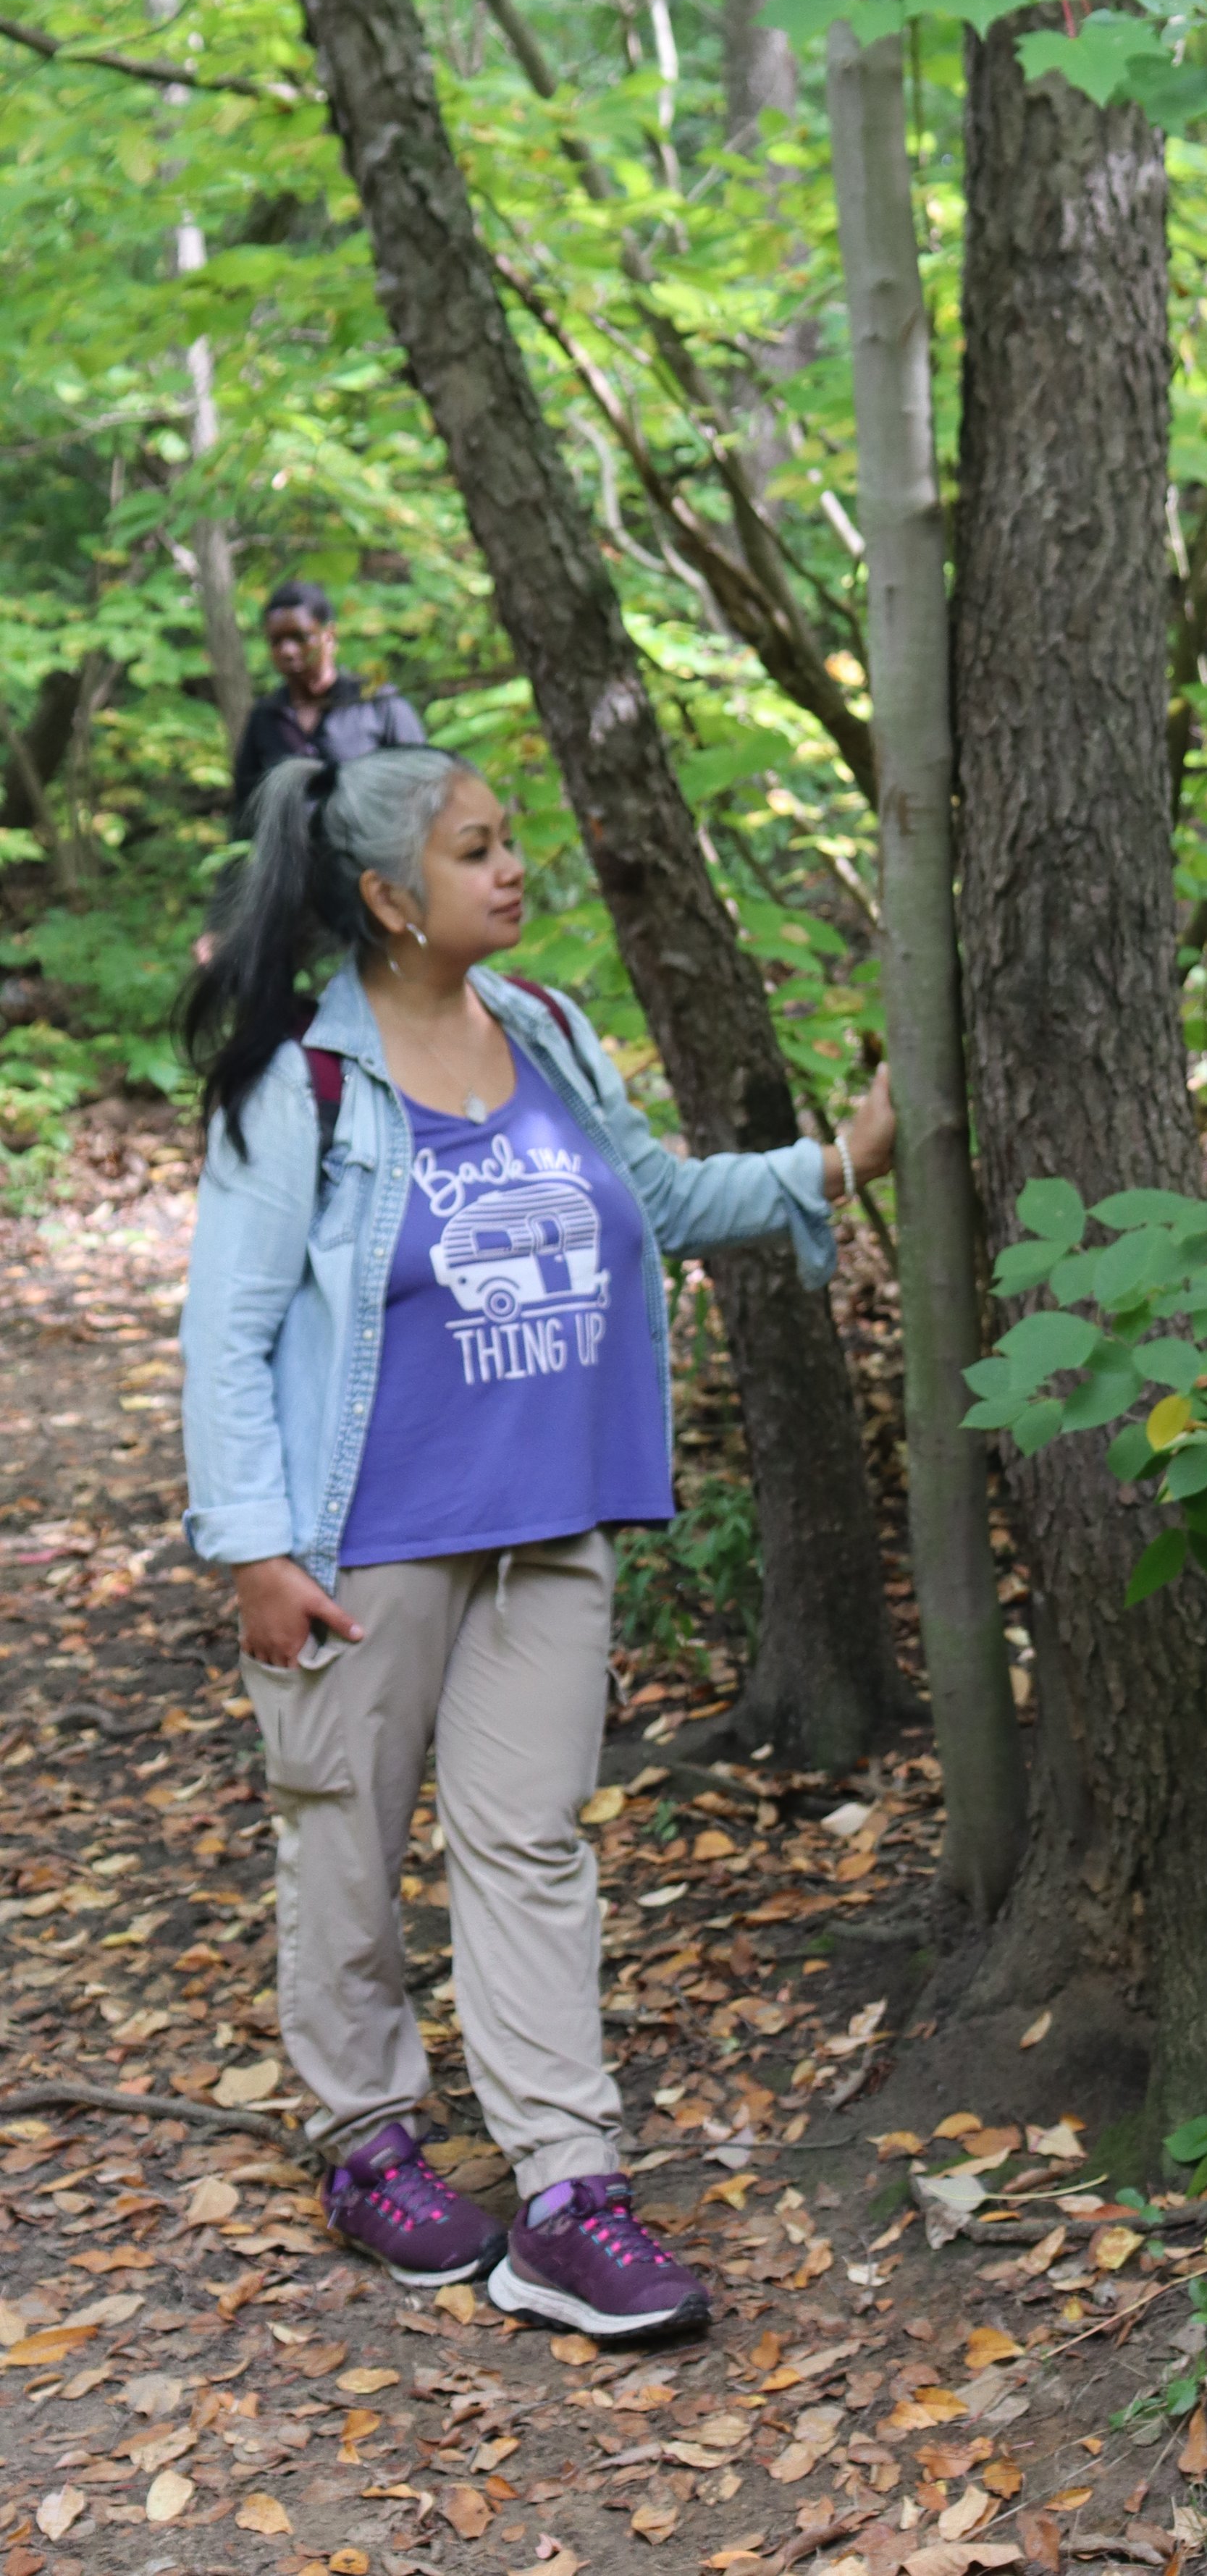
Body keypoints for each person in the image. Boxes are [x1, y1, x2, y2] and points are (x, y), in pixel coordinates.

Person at [178, 746, 893, 2339]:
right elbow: (224, 1332)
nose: (512, 871)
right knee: (344, 1845)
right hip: (360, 1541)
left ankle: (566, 2190)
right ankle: (367, 2143)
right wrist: (251, 1549)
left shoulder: (550, 1033)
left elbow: (653, 1200)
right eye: (475, 851)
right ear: (383, 895)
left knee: (531, 1846)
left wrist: (846, 1156)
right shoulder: (298, 1082)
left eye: (508, 843)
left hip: (549, 1522)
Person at [231, 580, 426, 834]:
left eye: (300, 637)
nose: (287, 651)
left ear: (329, 637)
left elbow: (423, 785)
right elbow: (246, 809)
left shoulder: (376, 703)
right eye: (276, 641)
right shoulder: (265, 716)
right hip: (294, 868)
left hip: (371, 860)